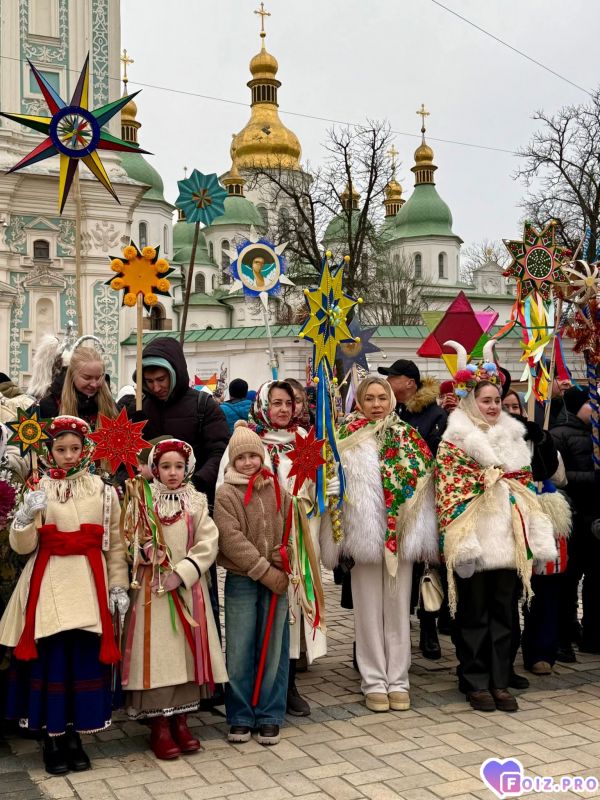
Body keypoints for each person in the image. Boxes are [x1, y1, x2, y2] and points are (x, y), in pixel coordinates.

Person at [0, 416, 129, 774]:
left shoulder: (102, 491)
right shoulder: (37, 489)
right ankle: (52, 737)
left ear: (86, 449)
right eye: (61, 449)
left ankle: (75, 734)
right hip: (48, 583)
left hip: (90, 584)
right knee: (54, 660)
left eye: (75, 448)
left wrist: (118, 583)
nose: (69, 456)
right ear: (49, 451)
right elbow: (23, 547)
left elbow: (115, 542)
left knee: (82, 659)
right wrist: (25, 518)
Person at [435, 361, 557, 712]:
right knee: (473, 615)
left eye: (496, 401)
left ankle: (500, 681)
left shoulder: (513, 436)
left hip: (508, 539)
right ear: (471, 402)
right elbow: (449, 492)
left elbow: (525, 486)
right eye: (485, 400)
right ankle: (474, 680)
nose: (492, 407)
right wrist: (489, 479)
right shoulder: (454, 441)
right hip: (472, 539)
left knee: (505, 614)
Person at [320, 377, 438, 712]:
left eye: (381, 397)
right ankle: (373, 680)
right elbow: (332, 486)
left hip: (399, 540)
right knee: (368, 613)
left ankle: (398, 679)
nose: (376, 404)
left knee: (398, 612)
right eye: (369, 398)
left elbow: (425, 487)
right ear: (359, 401)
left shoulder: (407, 437)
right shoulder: (344, 438)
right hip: (363, 538)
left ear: (391, 399)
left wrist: (417, 532)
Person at [217, 380, 326, 717]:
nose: (282, 409)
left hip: (294, 540)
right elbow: (227, 492)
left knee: (288, 619)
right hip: (255, 547)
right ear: (264, 404)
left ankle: (286, 685)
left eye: (289, 402)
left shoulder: (305, 441)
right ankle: (247, 696)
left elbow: (317, 484)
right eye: (276, 402)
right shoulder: (249, 444)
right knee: (251, 628)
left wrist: (324, 489)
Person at [121, 438, 227, 759]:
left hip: (186, 590)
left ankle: (181, 720)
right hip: (151, 594)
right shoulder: (142, 499)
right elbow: (127, 537)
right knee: (156, 656)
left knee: (185, 655)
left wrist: (182, 571)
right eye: (165, 466)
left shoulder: (195, 501)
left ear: (187, 468)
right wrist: (141, 551)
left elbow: (208, 542)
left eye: (178, 466)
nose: (172, 473)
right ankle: (159, 725)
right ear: (154, 468)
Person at [128, 337, 230, 638]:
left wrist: (194, 484)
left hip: (193, 510)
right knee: (155, 590)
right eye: (148, 381)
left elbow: (219, 449)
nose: (156, 387)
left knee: (201, 584)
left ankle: (207, 664)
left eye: (161, 379)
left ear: (175, 373)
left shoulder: (202, 405)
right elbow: (129, 461)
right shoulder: (139, 407)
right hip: (153, 513)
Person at [214, 421, 290, 745]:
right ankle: (241, 715)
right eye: (241, 457)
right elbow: (231, 540)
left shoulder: (276, 488)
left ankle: (270, 713)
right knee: (240, 649)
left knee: (273, 647)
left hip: (277, 580)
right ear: (232, 460)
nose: (248, 462)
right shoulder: (226, 494)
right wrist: (264, 569)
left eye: (253, 456)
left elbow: (289, 524)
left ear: (261, 457)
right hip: (243, 579)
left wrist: (283, 555)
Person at [378, 359, 448, 660]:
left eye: (391, 378)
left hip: (423, 501)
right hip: (391, 503)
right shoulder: (390, 411)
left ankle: (429, 625)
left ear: (408, 382)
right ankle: (395, 630)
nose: (387, 384)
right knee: (397, 566)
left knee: (425, 565)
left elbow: (438, 454)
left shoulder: (435, 415)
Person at [502, 389, 570, 679]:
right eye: (504, 406)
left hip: (541, 515)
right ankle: (505, 654)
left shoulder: (539, 437)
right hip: (505, 519)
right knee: (507, 592)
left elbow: (557, 476)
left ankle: (541, 652)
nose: (511, 410)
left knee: (544, 590)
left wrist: (542, 443)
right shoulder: (487, 440)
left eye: (516, 405)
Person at [550, 387, 600, 659]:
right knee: (568, 581)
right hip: (573, 517)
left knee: (594, 579)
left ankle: (592, 634)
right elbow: (558, 476)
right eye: (590, 405)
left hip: (594, 517)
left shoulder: (594, 434)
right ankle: (562, 636)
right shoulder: (559, 435)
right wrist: (591, 479)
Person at [38, 346, 116, 427]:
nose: (94, 384)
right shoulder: (49, 406)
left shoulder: (111, 407)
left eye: (98, 377)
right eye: (87, 378)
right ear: (72, 375)